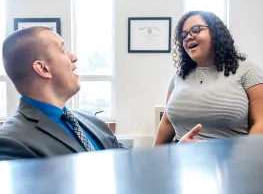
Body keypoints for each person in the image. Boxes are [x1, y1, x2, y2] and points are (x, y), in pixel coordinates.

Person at [0, 27, 201, 160]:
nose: (73, 57)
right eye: (63, 50)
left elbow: (129, 165)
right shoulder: (11, 142)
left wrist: (174, 156)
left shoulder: (90, 121)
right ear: (43, 69)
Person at [154, 10, 263, 145]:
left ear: (216, 33)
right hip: (181, 160)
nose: (188, 37)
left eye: (196, 30)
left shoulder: (248, 71)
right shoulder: (178, 76)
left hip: (231, 161)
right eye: (184, 35)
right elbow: (167, 122)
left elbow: (260, 122)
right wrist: (153, 160)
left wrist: (244, 158)